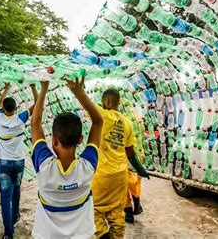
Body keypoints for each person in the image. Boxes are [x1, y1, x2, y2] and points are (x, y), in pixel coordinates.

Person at [30, 78, 103, 238]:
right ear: (80, 141)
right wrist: (79, 92)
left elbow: (35, 123)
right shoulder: (87, 167)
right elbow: (98, 121)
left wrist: (43, 88)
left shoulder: (44, 167)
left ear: (54, 140)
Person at [92, 88, 149, 238]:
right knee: (117, 213)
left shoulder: (102, 115)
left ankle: (103, 235)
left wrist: (76, 89)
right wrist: (139, 169)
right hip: (121, 175)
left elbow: (85, 104)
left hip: (102, 175)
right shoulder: (128, 123)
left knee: (95, 210)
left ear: (107, 101)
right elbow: (130, 153)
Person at [0, 83, 38, 239]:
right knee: (17, 188)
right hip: (18, 163)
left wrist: (5, 88)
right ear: (15, 108)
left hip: (4, 164)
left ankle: (8, 233)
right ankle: (15, 215)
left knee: (5, 197)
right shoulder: (20, 119)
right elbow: (37, 103)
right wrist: (33, 87)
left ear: (5, 110)